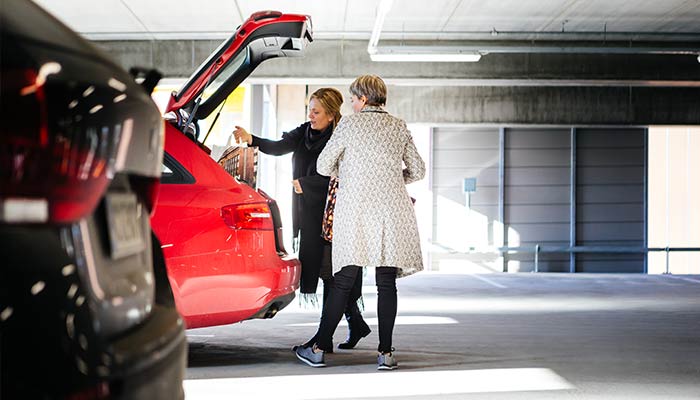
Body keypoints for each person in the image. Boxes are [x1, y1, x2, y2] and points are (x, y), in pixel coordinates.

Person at [295, 75, 426, 370]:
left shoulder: (349, 125)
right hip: (392, 212)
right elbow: (418, 170)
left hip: (355, 211)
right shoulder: (398, 125)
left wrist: (350, 172)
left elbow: (323, 166)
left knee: (343, 280)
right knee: (386, 283)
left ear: (363, 99)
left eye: (353, 99)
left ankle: (318, 349)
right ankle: (385, 354)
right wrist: (392, 179)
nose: (352, 104)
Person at [232, 88, 370, 350]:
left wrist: (306, 184)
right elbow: (279, 147)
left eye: (316, 112)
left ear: (331, 115)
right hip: (308, 212)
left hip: (335, 214)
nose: (311, 115)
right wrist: (251, 139)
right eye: (310, 110)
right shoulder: (304, 132)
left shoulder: (342, 137)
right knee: (327, 272)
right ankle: (354, 323)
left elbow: (345, 177)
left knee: (332, 274)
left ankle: (324, 337)